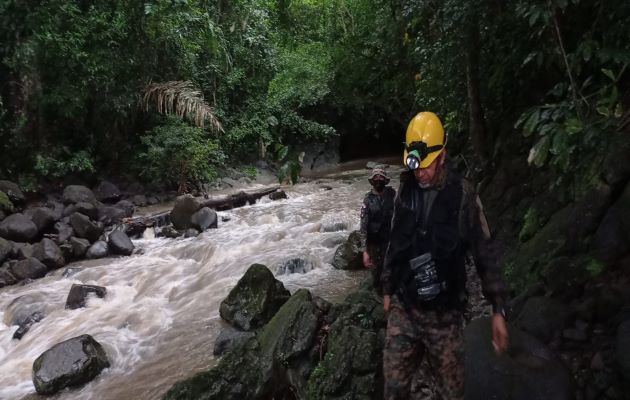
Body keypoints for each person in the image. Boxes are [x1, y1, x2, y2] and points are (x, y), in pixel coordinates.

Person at [381, 111, 509, 399]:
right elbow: (395, 241)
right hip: (407, 307)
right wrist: (387, 287)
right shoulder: (405, 191)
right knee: (394, 387)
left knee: (453, 392)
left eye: (425, 166)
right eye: (415, 167)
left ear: (442, 156)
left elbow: (485, 252)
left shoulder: (463, 197)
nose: (419, 173)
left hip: (445, 315)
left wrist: (498, 309)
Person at [359, 167, 396, 294]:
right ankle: (377, 297)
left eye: (381, 177)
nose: (378, 180)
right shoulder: (367, 199)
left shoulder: (392, 195)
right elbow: (363, 227)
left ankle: (389, 297)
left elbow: (400, 217)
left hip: (389, 241)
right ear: (372, 180)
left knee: (390, 271)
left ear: (385, 180)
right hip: (373, 243)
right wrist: (364, 251)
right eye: (376, 177)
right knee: (376, 274)